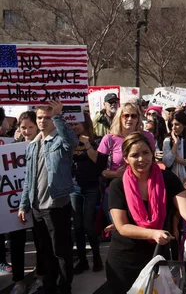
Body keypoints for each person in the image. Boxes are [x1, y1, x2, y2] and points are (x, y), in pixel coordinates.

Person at [105, 132, 186, 292]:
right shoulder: (118, 186)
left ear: (152, 153)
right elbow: (122, 226)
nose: (141, 159)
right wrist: (152, 233)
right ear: (125, 159)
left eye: (145, 153)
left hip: (158, 257)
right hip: (125, 261)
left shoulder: (167, 178)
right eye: (134, 155)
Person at [18, 100, 79, 294]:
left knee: (61, 251)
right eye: (40, 117)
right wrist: (23, 204)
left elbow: (72, 141)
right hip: (37, 207)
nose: (43, 121)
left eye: (47, 117)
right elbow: (29, 178)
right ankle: (50, 285)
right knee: (45, 251)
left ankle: (64, 288)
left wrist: (58, 115)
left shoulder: (60, 141)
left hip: (56, 204)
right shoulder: (32, 146)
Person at [3, 111, 43, 294]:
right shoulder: (10, 147)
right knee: (16, 244)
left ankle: (40, 276)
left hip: (37, 203)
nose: (27, 131)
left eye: (30, 127)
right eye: (23, 127)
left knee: (40, 241)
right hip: (14, 206)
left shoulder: (44, 145)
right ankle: (18, 281)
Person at [97, 103, 155, 223]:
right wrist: (116, 174)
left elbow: (152, 163)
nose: (130, 119)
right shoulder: (109, 139)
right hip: (117, 191)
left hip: (143, 191)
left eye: (134, 116)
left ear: (138, 118)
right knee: (121, 230)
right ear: (119, 117)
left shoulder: (147, 136)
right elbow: (99, 170)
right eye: (126, 115)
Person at [68, 113, 104, 274]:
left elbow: (98, 160)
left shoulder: (96, 140)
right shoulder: (70, 141)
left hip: (91, 188)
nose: (74, 127)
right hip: (75, 188)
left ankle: (97, 258)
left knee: (89, 226)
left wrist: (87, 144)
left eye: (77, 124)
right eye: (71, 124)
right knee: (77, 227)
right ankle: (82, 260)